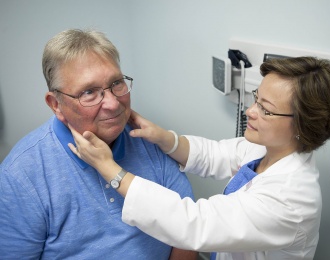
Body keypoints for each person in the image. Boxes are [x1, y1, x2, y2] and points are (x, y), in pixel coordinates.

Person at [69, 56, 330, 260]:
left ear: (303, 125)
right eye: (256, 99)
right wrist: (164, 137)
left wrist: (111, 170)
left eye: (266, 110)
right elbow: (214, 154)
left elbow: (194, 223)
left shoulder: (292, 199)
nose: (250, 112)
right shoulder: (267, 149)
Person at [0, 29, 197, 260]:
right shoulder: (21, 175)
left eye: (117, 83)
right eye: (89, 92)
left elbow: (187, 232)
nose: (113, 104)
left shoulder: (149, 141)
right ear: (56, 104)